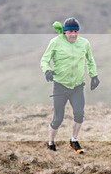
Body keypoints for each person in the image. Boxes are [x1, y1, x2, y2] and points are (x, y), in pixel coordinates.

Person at [40, 17, 99, 153]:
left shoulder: (84, 43)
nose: (73, 34)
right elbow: (44, 59)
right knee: (58, 118)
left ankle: (73, 140)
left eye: (75, 31)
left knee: (79, 114)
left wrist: (94, 76)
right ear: (65, 32)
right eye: (70, 32)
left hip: (77, 86)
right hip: (60, 86)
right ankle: (51, 143)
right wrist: (47, 70)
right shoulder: (55, 42)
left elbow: (90, 60)